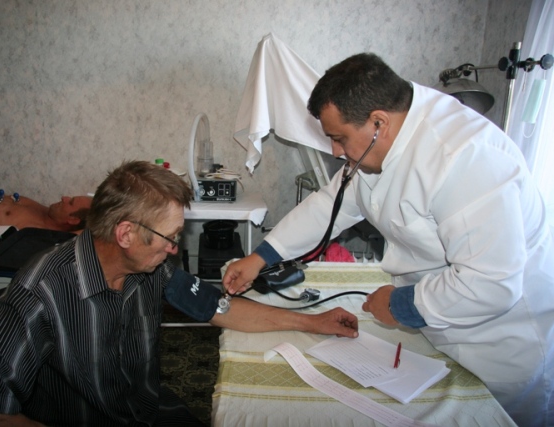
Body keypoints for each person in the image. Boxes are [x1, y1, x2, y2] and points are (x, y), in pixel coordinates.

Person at [223, 53, 554, 427]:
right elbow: (331, 205)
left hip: (501, 343)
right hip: (438, 321)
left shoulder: (468, 158)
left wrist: (402, 304)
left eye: (339, 138)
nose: (335, 151)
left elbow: (491, 283)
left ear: (378, 122)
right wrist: (260, 258)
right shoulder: (383, 141)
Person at [0, 160, 359, 426]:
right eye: (171, 237)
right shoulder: (40, 294)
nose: (175, 249)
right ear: (125, 234)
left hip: (147, 411)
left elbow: (220, 308)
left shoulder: (150, 267)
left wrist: (313, 322)